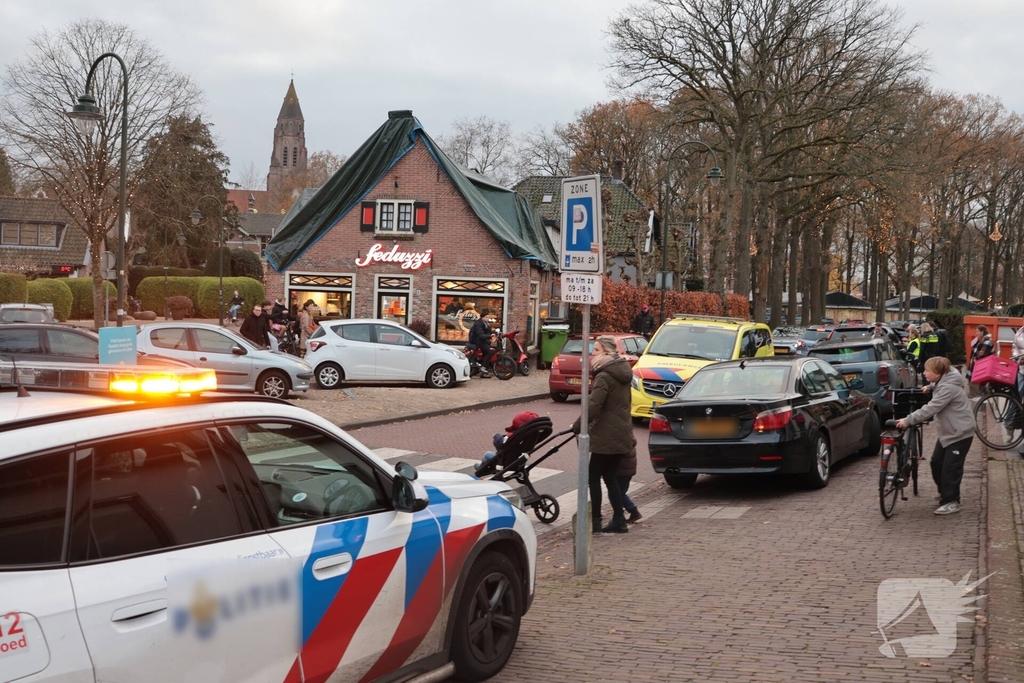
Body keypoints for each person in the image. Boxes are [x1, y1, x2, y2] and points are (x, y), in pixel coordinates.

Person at [896, 357, 975, 515]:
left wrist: (908, 420)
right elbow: (943, 379)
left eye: (927, 371)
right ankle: (945, 490)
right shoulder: (945, 378)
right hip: (949, 432)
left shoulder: (948, 389)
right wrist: (931, 386)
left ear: (938, 373)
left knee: (950, 468)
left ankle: (952, 501)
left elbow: (931, 408)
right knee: (936, 463)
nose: (923, 373)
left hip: (960, 432)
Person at [571, 335, 634, 533]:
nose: (592, 354)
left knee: (593, 476)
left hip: (606, 436)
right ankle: (619, 519)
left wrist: (578, 425)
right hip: (620, 433)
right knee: (609, 477)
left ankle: (596, 520)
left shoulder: (604, 375)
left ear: (606, 352)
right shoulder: (623, 373)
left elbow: (594, 405)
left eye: (596, 350)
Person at [615, 436, 642, 524]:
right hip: (628, 470)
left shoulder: (619, 441)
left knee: (617, 493)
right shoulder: (629, 438)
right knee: (620, 492)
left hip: (620, 470)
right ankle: (629, 512)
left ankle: (631, 511)